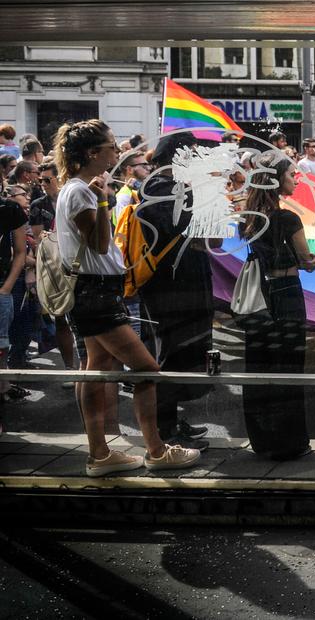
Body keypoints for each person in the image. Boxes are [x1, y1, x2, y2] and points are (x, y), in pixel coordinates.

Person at [52, 119, 200, 476]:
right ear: (91, 153)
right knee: (147, 368)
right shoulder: (81, 192)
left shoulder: (79, 189)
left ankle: (100, 455)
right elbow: (100, 243)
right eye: (110, 147)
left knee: (95, 370)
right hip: (95, 294)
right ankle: (155, 450)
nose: (117, 153)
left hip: (97, 291)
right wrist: (103, 200)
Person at [137, 132, 217, 449]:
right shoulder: (162, 192)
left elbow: (207, 237)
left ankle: (170, 421)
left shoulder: (172, 189)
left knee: (179, 353)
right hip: (170, 289)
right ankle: (166, 431)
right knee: (169, 355)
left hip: (182, 285)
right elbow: (202, 232)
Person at [238, 152, 315, 460]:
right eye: (290, 175)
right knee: (287, 366)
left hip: (260, 295)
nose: (294, 179)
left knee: (259, 365)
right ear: (276, 180)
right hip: (285, 293)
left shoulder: (250, 216)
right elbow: (305, 260)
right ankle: (290, 441)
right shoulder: (287, 218)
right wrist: (311, 262)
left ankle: (262, 439)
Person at [28, 158, 76, 377]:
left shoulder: (74, 198)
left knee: (83, 318)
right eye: (40, 180)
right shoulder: (38, 205)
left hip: (78, 264)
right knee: (60, 318)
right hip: (53, 267)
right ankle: (69, 368)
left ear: (60, 178)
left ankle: (87, 365)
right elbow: (39, 239)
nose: (43, 184)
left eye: (47, 180)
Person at [0, 186, 29, 403]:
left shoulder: (9, 209)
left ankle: (3, 389)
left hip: (1, 289)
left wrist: (6, 287)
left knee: (1, 347)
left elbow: (21, 252)